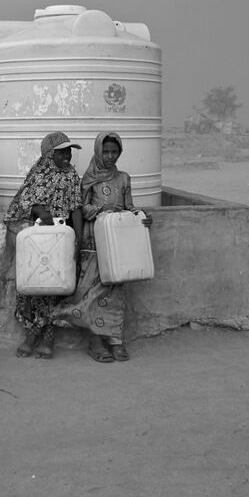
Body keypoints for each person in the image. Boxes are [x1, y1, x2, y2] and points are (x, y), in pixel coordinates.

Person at [53, 131, 152, 363]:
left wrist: (143, 217)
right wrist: (100, 212)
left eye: (114, 152)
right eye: (105, 151)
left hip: (117, 241)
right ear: (98, 151)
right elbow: (80, 208)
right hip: (93, 240)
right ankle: (95, 340)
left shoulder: (124, 178)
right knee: (93, 290)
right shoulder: (87, 180)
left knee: (116, 290)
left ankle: (115, 339)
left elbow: (130, 207)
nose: (110, 156)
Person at [3, 132, 83, 360]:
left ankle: (48, 336)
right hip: (37, 240)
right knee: (31, 286)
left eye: (69, 151)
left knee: (53, 286)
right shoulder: (38, 175)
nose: (67, 155)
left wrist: (78, 238)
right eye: (62, 152)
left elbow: (76, 207)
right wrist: (40, 211)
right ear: (49, 155)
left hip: (59, 240)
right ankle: (31, 334)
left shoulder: (71, 176)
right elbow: (22, 203)